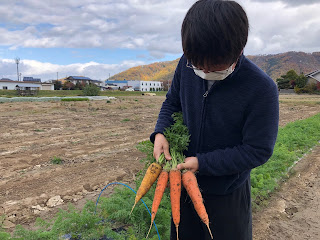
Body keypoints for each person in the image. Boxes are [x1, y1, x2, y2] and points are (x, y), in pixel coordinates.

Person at [150, 0, 279, 239]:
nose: (203, 71)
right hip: (184, 189)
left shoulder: (261, 88)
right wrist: (161, 132)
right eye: (197, 65)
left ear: (239, 51)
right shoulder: (186, 63)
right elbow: (172, 102)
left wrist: (203, 163)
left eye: (213, 69)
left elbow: (258, 150)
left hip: (227, 194)